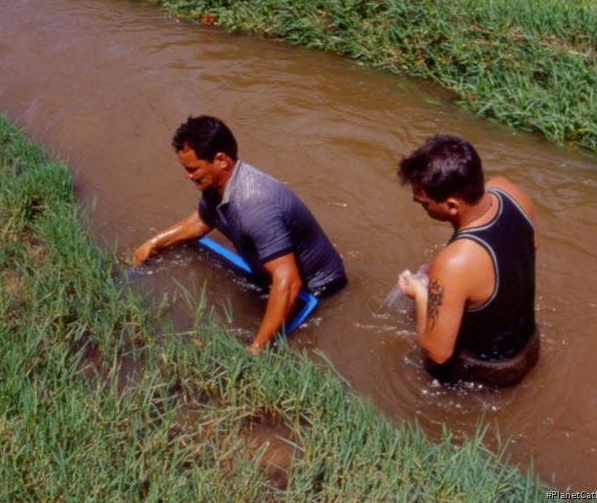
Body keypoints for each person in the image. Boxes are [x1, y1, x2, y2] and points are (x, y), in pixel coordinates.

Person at [132, 115, 346, 354]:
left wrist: (255, 350)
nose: (187, 176)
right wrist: (154, 243)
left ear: (221, 160)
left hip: (317, 290)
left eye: (192, 169)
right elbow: (203, 220)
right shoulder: (216, 186)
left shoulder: (254, 205)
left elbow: (289, 282)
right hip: (283, 277)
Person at [396, 134, 540, 388]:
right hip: (530, 347)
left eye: (425, 204)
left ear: (452, 206)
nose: (422, 207)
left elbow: (438, 352)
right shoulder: (510, 191)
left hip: (490, 372)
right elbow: (528, 248)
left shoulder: (455, 262)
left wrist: (420, 294)